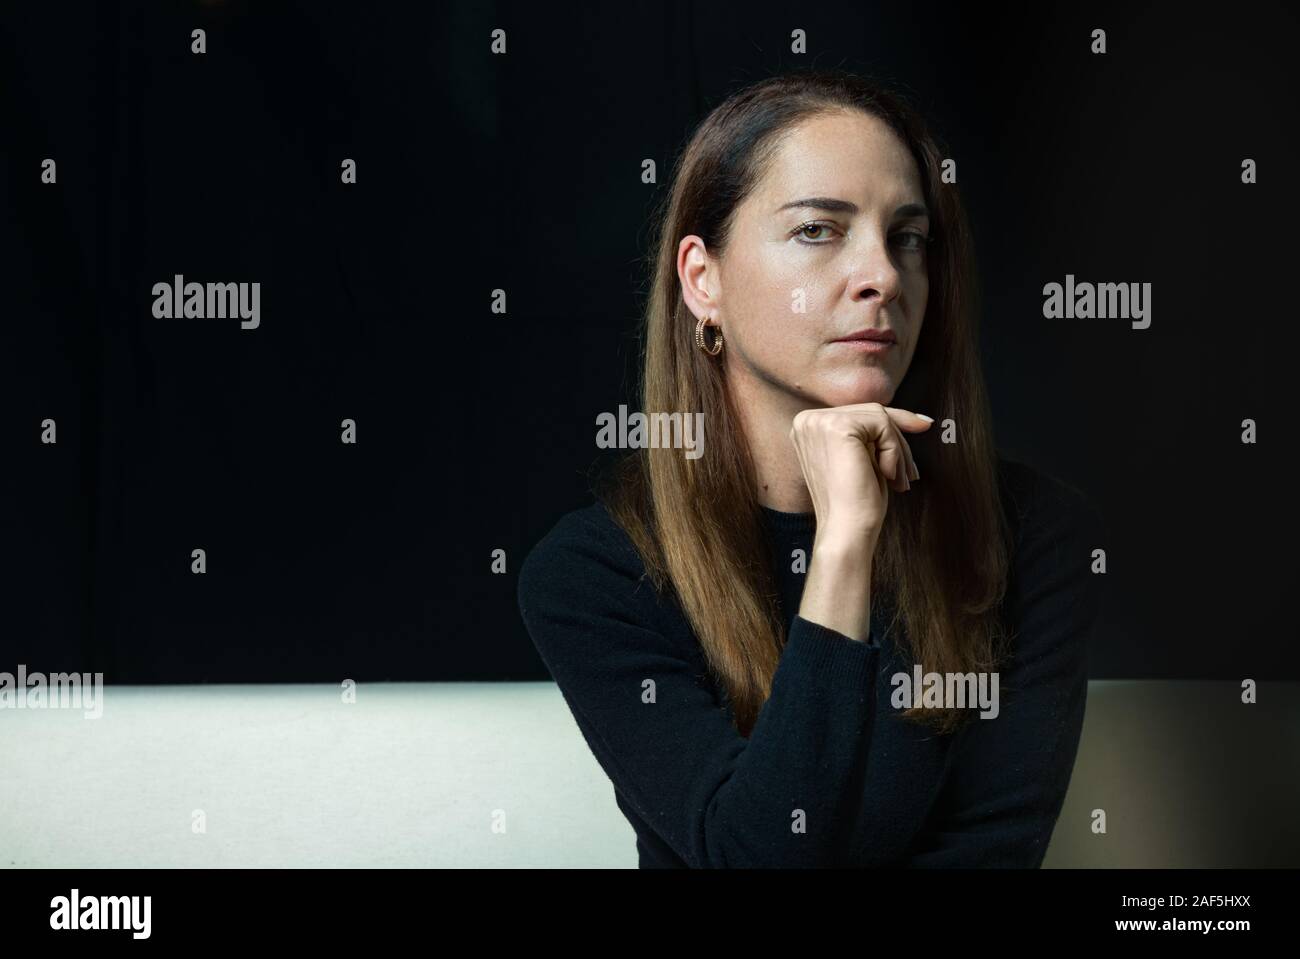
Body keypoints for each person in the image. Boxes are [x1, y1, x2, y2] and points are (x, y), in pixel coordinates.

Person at [517, 69, 1105, 868]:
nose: (884, 277)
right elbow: (753, 855)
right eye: (818, 230)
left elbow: (990, 854)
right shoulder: (594, 574)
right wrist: (843, 548)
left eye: (908, 237)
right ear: (702, 278)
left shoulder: (1035, 534)